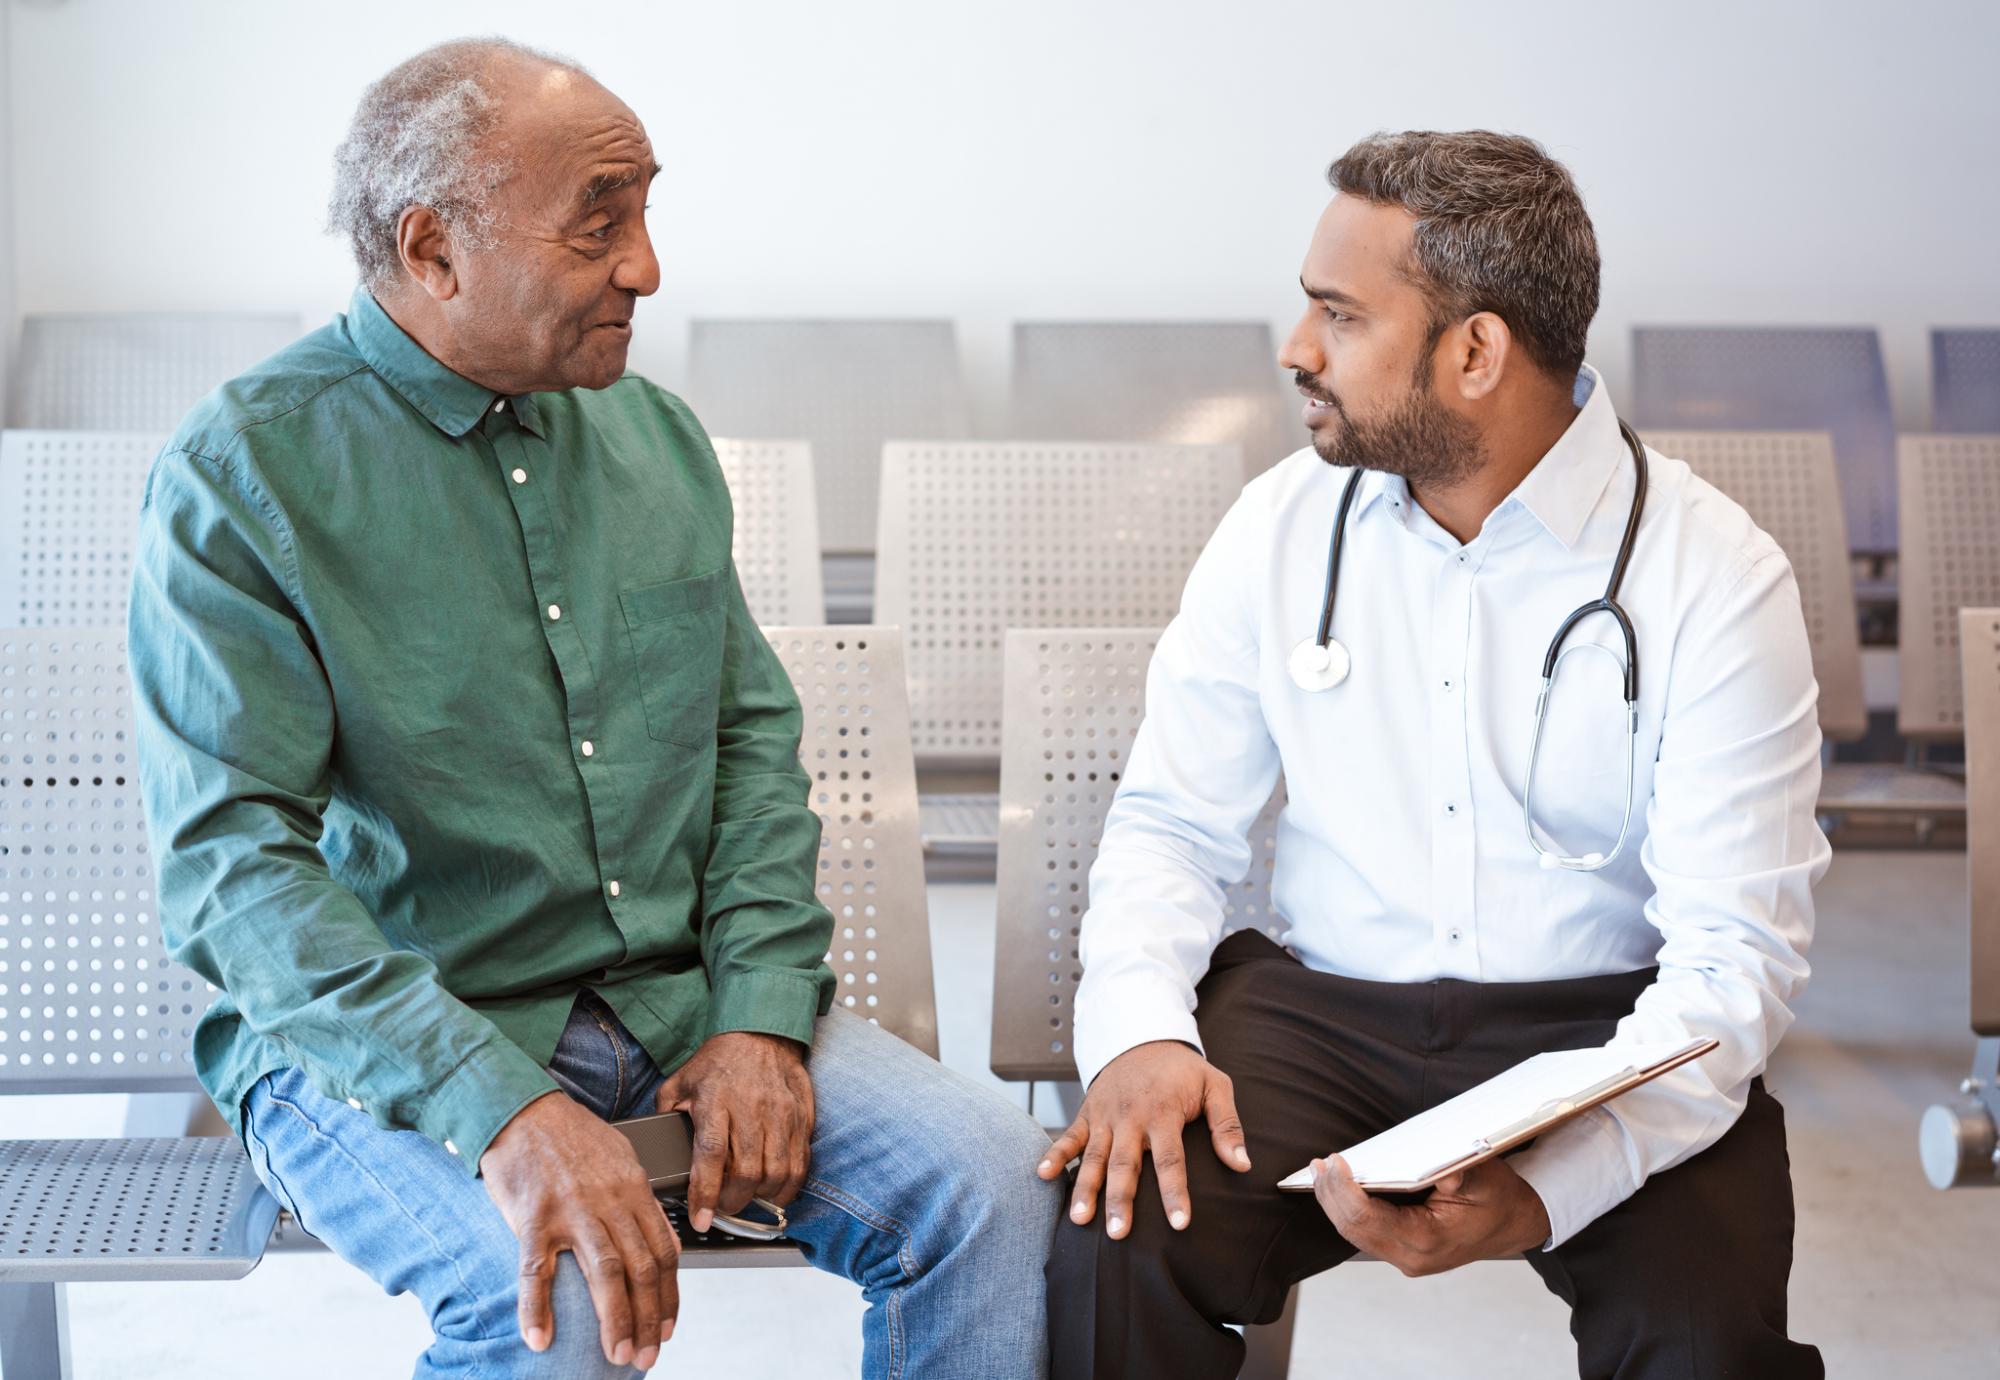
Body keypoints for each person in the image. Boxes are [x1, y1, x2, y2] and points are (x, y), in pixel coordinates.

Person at [129, 37, 1058, 1380]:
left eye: (645, 209)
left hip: (674, 1003)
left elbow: (746, 747)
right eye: (599, 220)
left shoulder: (657, 441)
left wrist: (757, 1010)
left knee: (988, 1195)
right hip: (384, 1035)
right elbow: (234, 877)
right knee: (552, 1309)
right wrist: (501, 1105)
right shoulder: (245, 474)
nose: (647, 266)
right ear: (433, 248)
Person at [1039, 130, 1827, 1379]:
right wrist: (1140, 1034)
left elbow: (1732, 961)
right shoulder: (1281, 526)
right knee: (1114, 1230)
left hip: (1608, 1032)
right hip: (1321, 1012)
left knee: (1702, 1336)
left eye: (1337, 316)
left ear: (1474, 352)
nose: (1295, 350)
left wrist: (1547, 1188)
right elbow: (1170, 827)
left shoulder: (1713, 578)